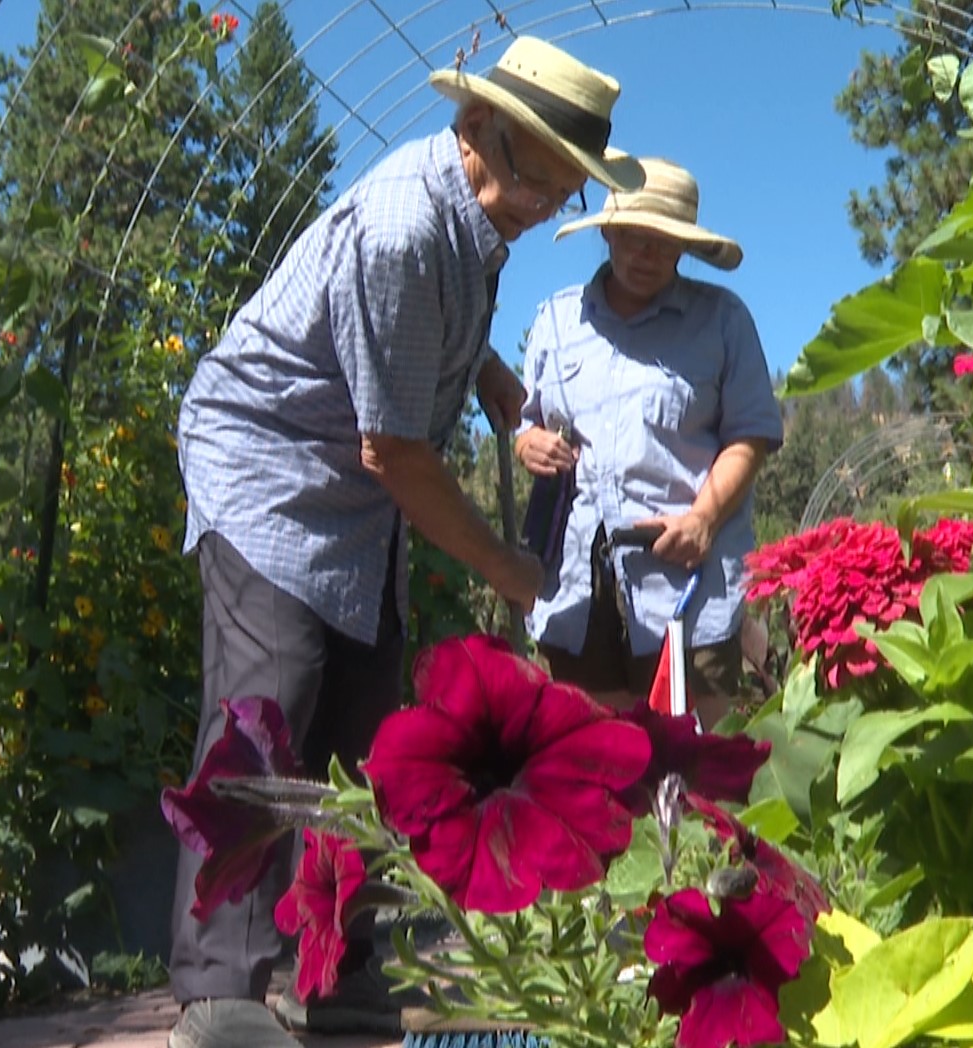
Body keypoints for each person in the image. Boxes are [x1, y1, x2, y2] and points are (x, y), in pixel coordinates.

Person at [170, 37, 643, 1048]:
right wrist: (509, 568)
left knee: (361, 727)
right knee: (270, 707)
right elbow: (395, 451)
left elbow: (430, 341)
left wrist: (500, 390)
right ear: (478, 129)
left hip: (351, 484)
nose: (540, 207)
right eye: (534, 182)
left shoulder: (475, 216)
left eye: (563, 194)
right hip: (269, 460)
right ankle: (222, 998)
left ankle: (341, 987)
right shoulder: (402, 229)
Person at [515, 158, 783, 730]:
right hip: (579, 587)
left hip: (686, 581)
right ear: (608, 231)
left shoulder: (722, 321)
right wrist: (528, 444)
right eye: (634, 237)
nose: (646, 254)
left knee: (690, 763)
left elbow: (750, 435)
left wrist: (705, 520)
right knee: (593, 759)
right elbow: (527, 421)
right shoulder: (557, 321)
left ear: (683, 247)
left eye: (663, 242)